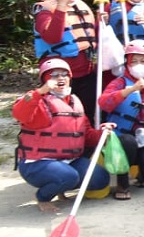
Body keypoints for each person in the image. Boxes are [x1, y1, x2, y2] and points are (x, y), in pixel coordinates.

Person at [13, 58, 114, 212]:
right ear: (45, 80)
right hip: (37, 163)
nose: (60, 78)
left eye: (64, 75)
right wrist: (40, 92)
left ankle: (59, 184)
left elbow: (87, 135)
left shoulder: (74, 101)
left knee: (100, 179)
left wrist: (103, 133)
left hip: (68, 161)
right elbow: (19, 113)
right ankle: (42, 197)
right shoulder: (39, 102)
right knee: (68, 176)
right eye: (54, 75)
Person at [98, 40, 144, 199]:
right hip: (123, 137)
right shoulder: (119, 82)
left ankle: (143, 177)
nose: (139, 65)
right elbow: (104, 103)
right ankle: (122, 184)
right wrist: (131, 89)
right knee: (128, 143)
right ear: (127, 63)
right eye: (134, 61)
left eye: (143, 61)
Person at [33, 0, 98, 122]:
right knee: (60, 117)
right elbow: (52, 37)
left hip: (85, 73)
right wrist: (61, 7)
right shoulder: (44, 10)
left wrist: (102, 22)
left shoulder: (81, 7)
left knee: (87, 114)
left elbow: (90, 38)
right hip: (58, 75)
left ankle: (87, 144)